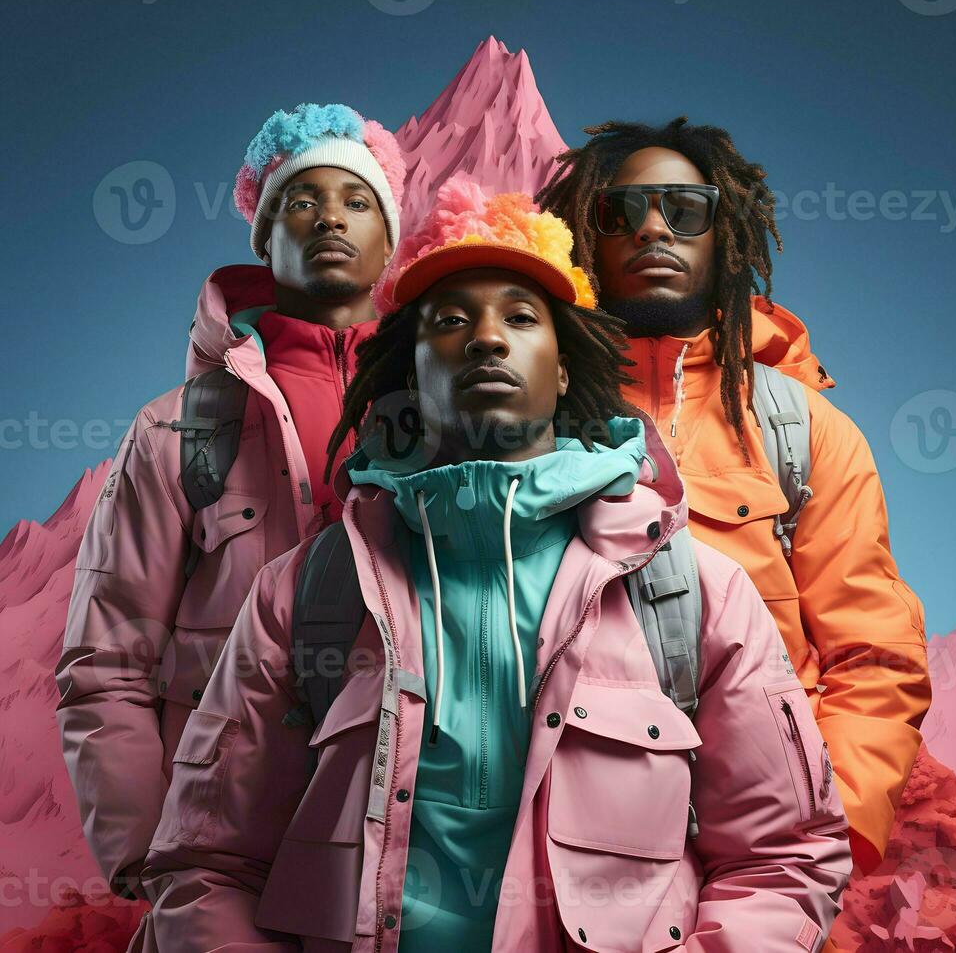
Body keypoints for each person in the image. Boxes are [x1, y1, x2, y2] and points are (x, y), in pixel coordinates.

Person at [138, 179, 851, 952]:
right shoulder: (308, 592)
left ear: (567, 367)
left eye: (520, 317)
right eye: (449, 322)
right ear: (410, 375)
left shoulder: (691, 591)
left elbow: (782, 857)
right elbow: (207, 861)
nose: (485, 338)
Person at [536, 116, 932, 879]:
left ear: (724, 235)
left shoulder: (805, 428)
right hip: (567, 845)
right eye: (622, 212)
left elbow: (873, 654)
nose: (654, 228)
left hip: (771, 846)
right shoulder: (527, 416)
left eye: (685, 209)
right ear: (585, 237)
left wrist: (824, 841)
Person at [55, 102, 405, 901]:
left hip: (408, 834)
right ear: (265, 236)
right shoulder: (176, 428)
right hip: (226, 845)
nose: (330, 220)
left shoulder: (452, 409)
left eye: (357, 202)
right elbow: (107, 659)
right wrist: (155, 859)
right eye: (300, 201)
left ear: (389, 243)